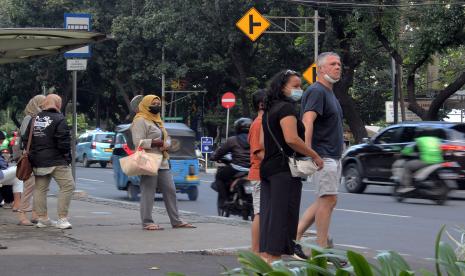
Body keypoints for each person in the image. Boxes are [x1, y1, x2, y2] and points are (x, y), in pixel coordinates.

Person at [260, 70, 323, 263]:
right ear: (282, 87)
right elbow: (292, 139)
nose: (299, 90)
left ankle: (265, 262)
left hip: (269, 167)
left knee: (269, 216)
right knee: (283, 217)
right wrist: (314, 155)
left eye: (300, 86)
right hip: (284, 170)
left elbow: (263, 144)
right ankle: (273, 262)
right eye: (295, 86)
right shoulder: (286, 109)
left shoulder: (269, 110)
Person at [295, 52, 344, 258]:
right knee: (328, 200)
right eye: (333, 64)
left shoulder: (329, 93)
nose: (338, 67)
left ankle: (293, 239)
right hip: (323, 155)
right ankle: (322, 249)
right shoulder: (316, 91)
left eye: (339, 64)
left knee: (327, 200)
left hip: (333, 155)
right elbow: (307, 121)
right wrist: (310, 153)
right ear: (320, 69)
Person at [131, 94, 195, 230]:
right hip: (148, 160)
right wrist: (157, 142)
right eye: (153, 103)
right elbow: (138, 142)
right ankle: (147, 222)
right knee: (148, 192)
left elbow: (166, 137)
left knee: (170, 190)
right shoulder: (140, 120)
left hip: (163, 161)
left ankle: (176, 220)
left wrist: (167, 144)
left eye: (158, 103)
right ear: (145, 104)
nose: (156, 106)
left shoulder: (158, 120)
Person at [23, 94, 75, 229]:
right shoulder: (59, 119)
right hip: (57, 160)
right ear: (57, 104)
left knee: (40, 189)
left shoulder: (34, 119)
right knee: (68, 186)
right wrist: (67, 158)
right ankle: (62, 219)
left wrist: (34, 156)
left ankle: (42, 219)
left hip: (38, 161)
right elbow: (63, 142)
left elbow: (26, 140)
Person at [210, 118, 252, 208]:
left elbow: (220, 152)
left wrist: (213, 157)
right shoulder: (256, 139)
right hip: (253, 169)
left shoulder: (232, 140)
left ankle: (226, 199)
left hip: (237, 168)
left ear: (237, 128)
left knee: (219, 176)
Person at [17, 95, 45, 226]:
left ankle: (35, 214)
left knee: (40, 187)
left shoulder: (43, 118)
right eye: (42, 103)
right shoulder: (29, 118)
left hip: (40, 157)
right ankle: (22, 214)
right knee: (29, 187)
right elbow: (24, 138)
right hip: (30, 157)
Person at [248, 90, 266, 254]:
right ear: (261, 104)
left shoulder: (264, 122)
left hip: (265, 174)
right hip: (259, 173)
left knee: (264, 212)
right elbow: (258, 151)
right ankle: (256, 251)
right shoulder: (259, 123)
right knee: (259, 213)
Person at [0, 131, 23, 211]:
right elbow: (3, 165)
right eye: (0, 142)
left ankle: (15, 204)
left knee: (16, 178)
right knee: (18, 171)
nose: (1, 144)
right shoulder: (13, 139)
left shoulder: (12, 139)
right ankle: (15, 204)